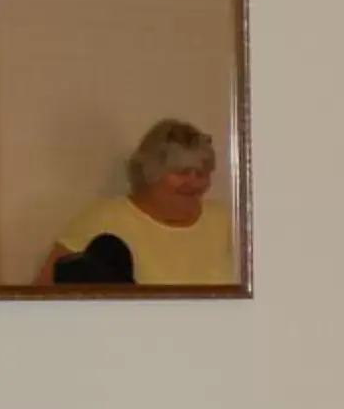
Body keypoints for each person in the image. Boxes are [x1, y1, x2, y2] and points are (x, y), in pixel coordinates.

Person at [39, 119, 233, 287]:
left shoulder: (225, 220)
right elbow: (44, 294)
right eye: (181, 172)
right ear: (151, 173)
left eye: (202, 173)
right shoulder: (104, 219)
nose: (194, 183)